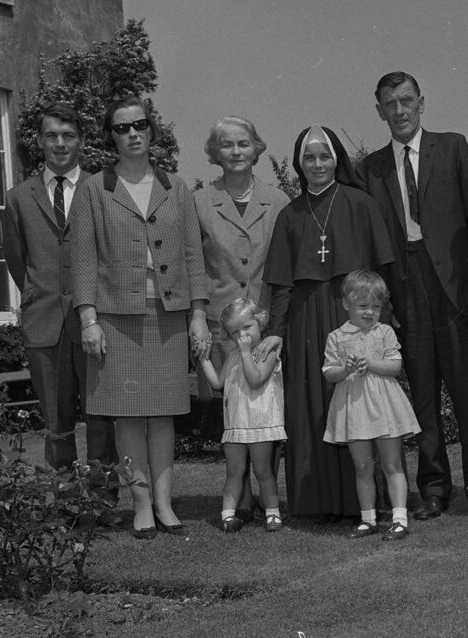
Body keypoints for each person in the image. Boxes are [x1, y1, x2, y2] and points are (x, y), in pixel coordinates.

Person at [357, 72, 468, 521]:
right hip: (405, 288)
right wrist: (384, 306)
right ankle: (434, 488)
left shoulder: (454, 146)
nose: (399, 110)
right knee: (422, 397)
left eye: (406, 101)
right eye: (389, 103)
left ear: (422, 103)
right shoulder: (372, 168)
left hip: (454, 286)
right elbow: (373, 242)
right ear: (379, 109)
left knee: (467, 393)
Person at [70, 95, 210, 539]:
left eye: (139, 125)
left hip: (167, 316)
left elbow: (192, 255)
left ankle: (167, 505)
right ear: (111, 136)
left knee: (164, 414)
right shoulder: (95, 188)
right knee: (129, 416)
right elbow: (84, 258)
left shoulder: (176, 187)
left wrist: (198, 316)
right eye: (121, 127)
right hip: (117, 318)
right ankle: (142, 505)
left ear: (151, 131)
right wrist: (88, 319)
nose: (132, 133)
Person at [261, 125, 393, 520]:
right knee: (311, 407)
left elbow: (381, 270)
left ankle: (365, 502)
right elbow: (283, 285)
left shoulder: (361, 203)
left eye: (324, 156)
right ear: (299, 164)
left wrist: (382, 324)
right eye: (309, 157)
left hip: (353, 316)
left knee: (360, 404)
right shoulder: (290, 214)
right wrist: (276, 334)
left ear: (337, 159)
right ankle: (314, 501)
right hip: (305, 320)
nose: (317, 164)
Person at [2, 102, 119, 522]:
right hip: (44, 322)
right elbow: (18, 262)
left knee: (102, 415)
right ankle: (67, 504)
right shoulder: (18, 198)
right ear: (40, 141)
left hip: (94, 321)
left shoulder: (102, 188)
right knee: (56, 421)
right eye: (51, 135)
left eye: (68, 135)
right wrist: (41, 295)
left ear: (82, 142)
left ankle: (103, 503)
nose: (60, 143)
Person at [196, 115, 290, 521]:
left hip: (265, 322)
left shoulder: (280, 200)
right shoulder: (198, 201)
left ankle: (267, 490)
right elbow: (192, 265)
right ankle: (242, 496)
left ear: (257, 148)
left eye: (243, 144)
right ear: (215, 153)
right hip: (223, 324)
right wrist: (198, 317)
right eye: (227, 145)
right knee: (234, 407)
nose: (236, 152)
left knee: (268, 406)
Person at [323, 271, 421, 541]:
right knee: (363, 467)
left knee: (392, 464)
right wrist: (345, 368)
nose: (369, 313)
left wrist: (371, 363)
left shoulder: (385, 332)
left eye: (376, 307)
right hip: (354, 408)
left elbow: (395, 365)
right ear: (346, 305)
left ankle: (399, 518)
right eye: (363, 306)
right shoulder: (336, 337)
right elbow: (329, 373)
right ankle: (368, 519)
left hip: (385, 406)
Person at [199, 298, 286, 533]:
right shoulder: (233, 357)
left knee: (262, 471)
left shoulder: (268, 353)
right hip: (236, 423)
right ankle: (227, 514)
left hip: (260, 422)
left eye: (247, 327)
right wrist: (204, 359)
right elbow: (218, 383)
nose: (242, 336)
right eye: (235, 332)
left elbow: (256, 380)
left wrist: (247, 353)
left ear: (260, 322)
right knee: (234, 471)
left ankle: (273, 513)